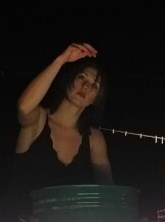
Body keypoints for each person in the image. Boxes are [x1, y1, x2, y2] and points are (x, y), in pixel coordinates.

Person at [15, 42, 113, 190]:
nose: (85, 86)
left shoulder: (94, 139)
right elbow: (24, 108)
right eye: (82, 77)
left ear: (96, 99)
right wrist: (61, 59)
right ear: (69, 81)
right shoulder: (39, 120)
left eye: (94, 86)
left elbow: (108, 189)